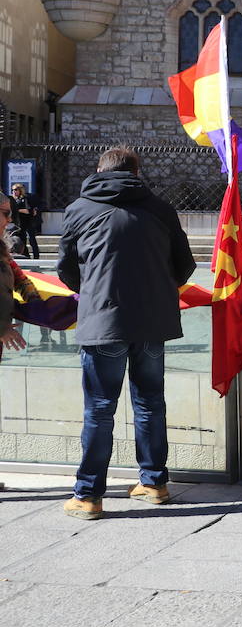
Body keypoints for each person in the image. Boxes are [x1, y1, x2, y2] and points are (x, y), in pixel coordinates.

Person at [56, 146, 197, 519]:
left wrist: (94, 293)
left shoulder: (79, 209)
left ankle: (88, 497)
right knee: (150, 402)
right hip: (152, 323)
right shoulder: (161, 209)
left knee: (100, 409)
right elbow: (185, 266)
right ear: (137, 172)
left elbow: (66, 271)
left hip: (102, 323)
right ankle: (153, 483)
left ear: (99, 171)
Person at [0, 195, 41, 357]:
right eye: (5, 213)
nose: (9, 220)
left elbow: (20, 279)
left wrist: (39, 305)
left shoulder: (3, 251)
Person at [9, 184, 41, 258]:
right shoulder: (13, 200)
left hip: (28, 222)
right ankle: (26, 256)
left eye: (16, 189)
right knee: (21, 240)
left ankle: (36, 257)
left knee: (32, 240)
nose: (14, 191)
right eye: (12, 190)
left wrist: (17, 210)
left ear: (20, 190)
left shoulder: (24, 199)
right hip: (19, 224)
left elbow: (28, 211)